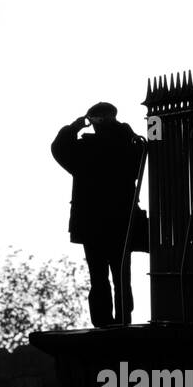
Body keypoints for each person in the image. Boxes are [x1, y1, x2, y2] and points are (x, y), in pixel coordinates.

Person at [50, 102, 145, 327]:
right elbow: (152, 145)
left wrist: (76, 125)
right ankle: (121, 322)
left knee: (103, 278)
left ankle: (106, 322)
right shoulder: (125, 145)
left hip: (96, 224)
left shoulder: (85, 150)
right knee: (119, 277)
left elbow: (58, 147)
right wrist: (142, 124)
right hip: (117, 222)